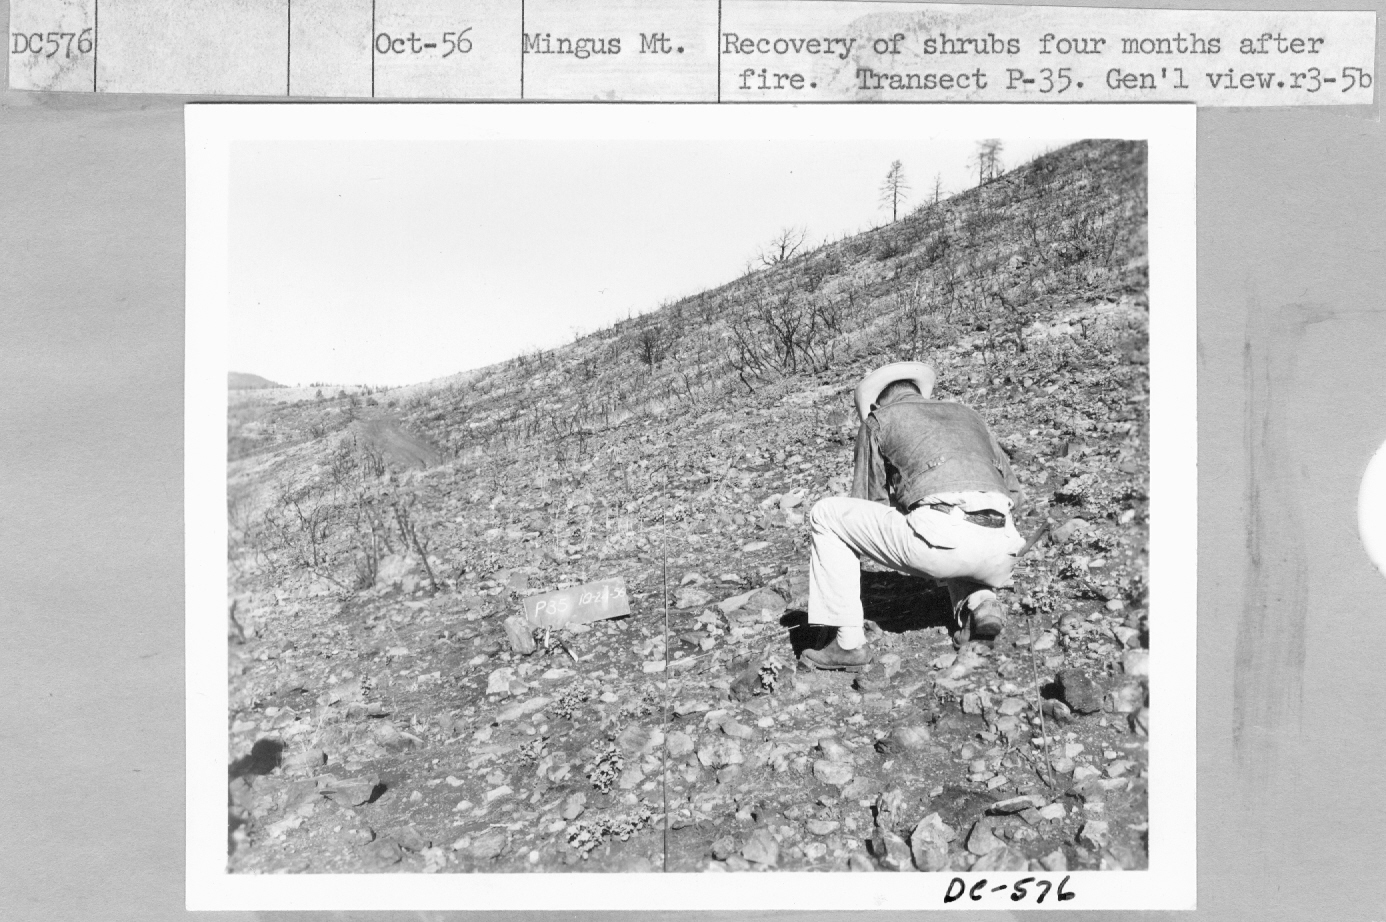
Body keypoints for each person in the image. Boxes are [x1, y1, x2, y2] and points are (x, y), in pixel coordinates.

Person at [799, 361, 1027, 670]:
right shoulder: (969, 416)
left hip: (944, 541)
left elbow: (869, 502)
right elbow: (1014, 494)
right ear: (918, 390)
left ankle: (847, 644)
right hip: (1005, 547)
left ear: (877, 401)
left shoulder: (879, 420)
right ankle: (980, 601)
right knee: (951, 524)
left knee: (826, 514)